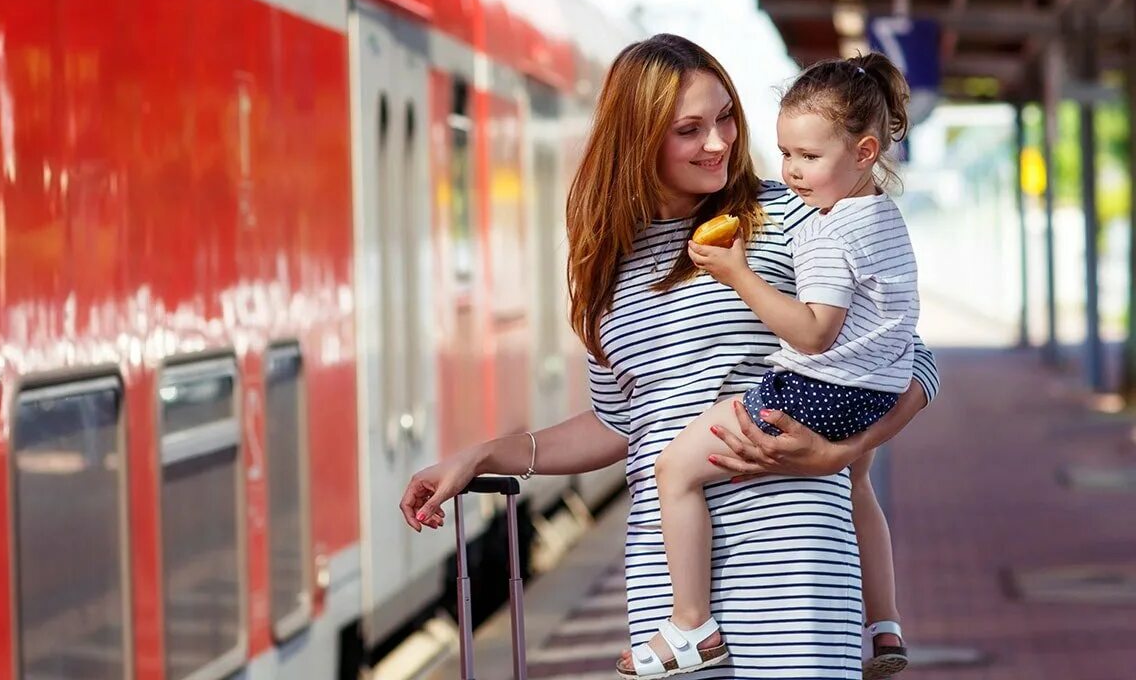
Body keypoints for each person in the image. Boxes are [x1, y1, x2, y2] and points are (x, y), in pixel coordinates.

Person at [397, 35, 939, 678]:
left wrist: (839, 455)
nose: (719, 143)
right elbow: (618, 425)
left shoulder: (794, 215)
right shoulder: (609, 267)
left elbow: (910, 358)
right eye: (690, 129)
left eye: (725, 118)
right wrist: (486, 454)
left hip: (793, 570)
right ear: (639, 137)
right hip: (670, 593)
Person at [631, 52, 919, 679]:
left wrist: (738, 274)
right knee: (862, 484)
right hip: (868, 388)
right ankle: (885, 624)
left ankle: (689, 626)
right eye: (785, 154)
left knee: (674, 468)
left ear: (865, 152)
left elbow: (815, 332)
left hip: (815, 399)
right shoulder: (881, 217)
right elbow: (618, 415)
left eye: (727, 120)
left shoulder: (814, 223)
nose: (788, 172)